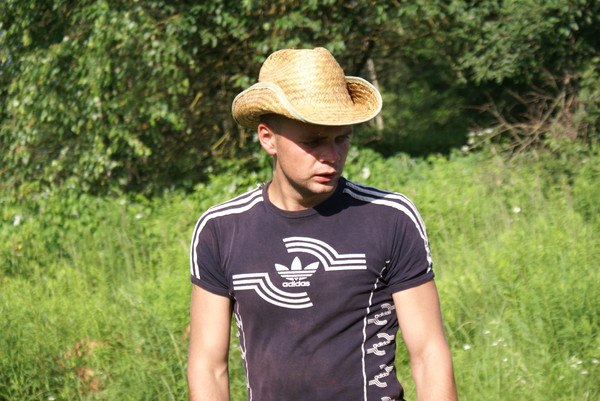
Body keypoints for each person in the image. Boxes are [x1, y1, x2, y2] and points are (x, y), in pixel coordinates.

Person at [187, 47, 458, 401]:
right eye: (313, 141)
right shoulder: (221, 231)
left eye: (341, 138)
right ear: (267, 138)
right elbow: (208, 367)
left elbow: (428, 354)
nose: (331, 156)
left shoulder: (389, 217)